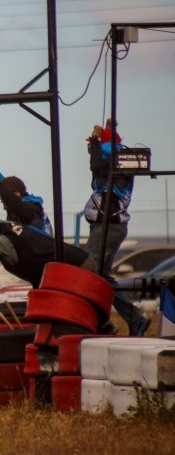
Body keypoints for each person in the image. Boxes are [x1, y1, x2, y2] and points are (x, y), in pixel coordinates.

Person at [84, 120, 149, 336]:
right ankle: (134, 319)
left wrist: (95, 139)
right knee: (102, 276)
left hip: (107, 227)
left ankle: (95, 322)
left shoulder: (111, 158)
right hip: (108, 227)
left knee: (88, 270)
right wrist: (108, 131)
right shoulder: (117, 159)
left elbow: (96, 162)